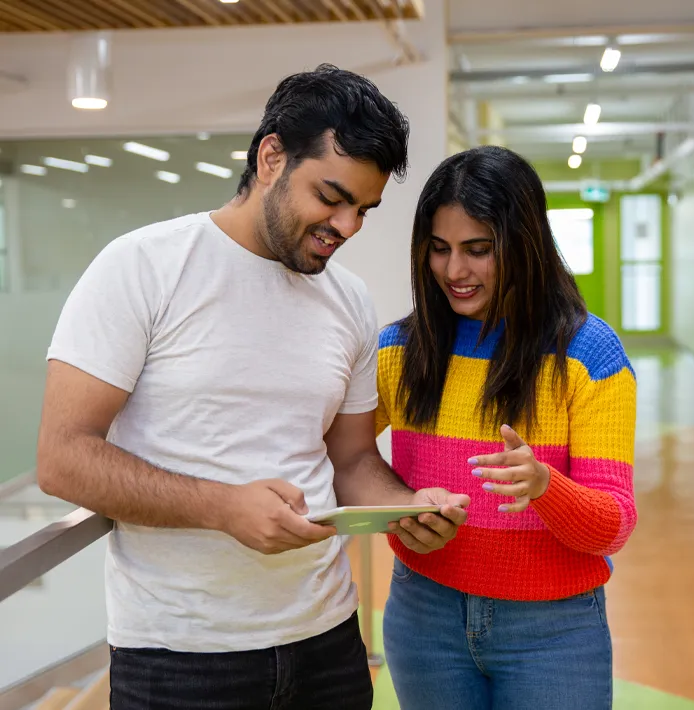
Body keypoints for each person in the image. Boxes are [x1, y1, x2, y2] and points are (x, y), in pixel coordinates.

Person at [35, 64, 469, 710]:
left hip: (326, 640)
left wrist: (408, 510)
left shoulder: (348, 301)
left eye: (363, 210)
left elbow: (350, 459)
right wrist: (222, 507)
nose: (347, 227)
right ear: (271, 157)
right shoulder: (143, 269)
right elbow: (62, 457)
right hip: (178, 658)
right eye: (331, 197)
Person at [376, 145, 637, 710]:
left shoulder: (589, 354)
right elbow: (341, 455)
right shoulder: (400, 350)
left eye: (479, 250)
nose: (454, 271)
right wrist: (398, 501)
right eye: (439, 250)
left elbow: (614, 524)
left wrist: (545, 485)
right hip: (423, 616)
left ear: (525, 246)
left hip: (553, 631)